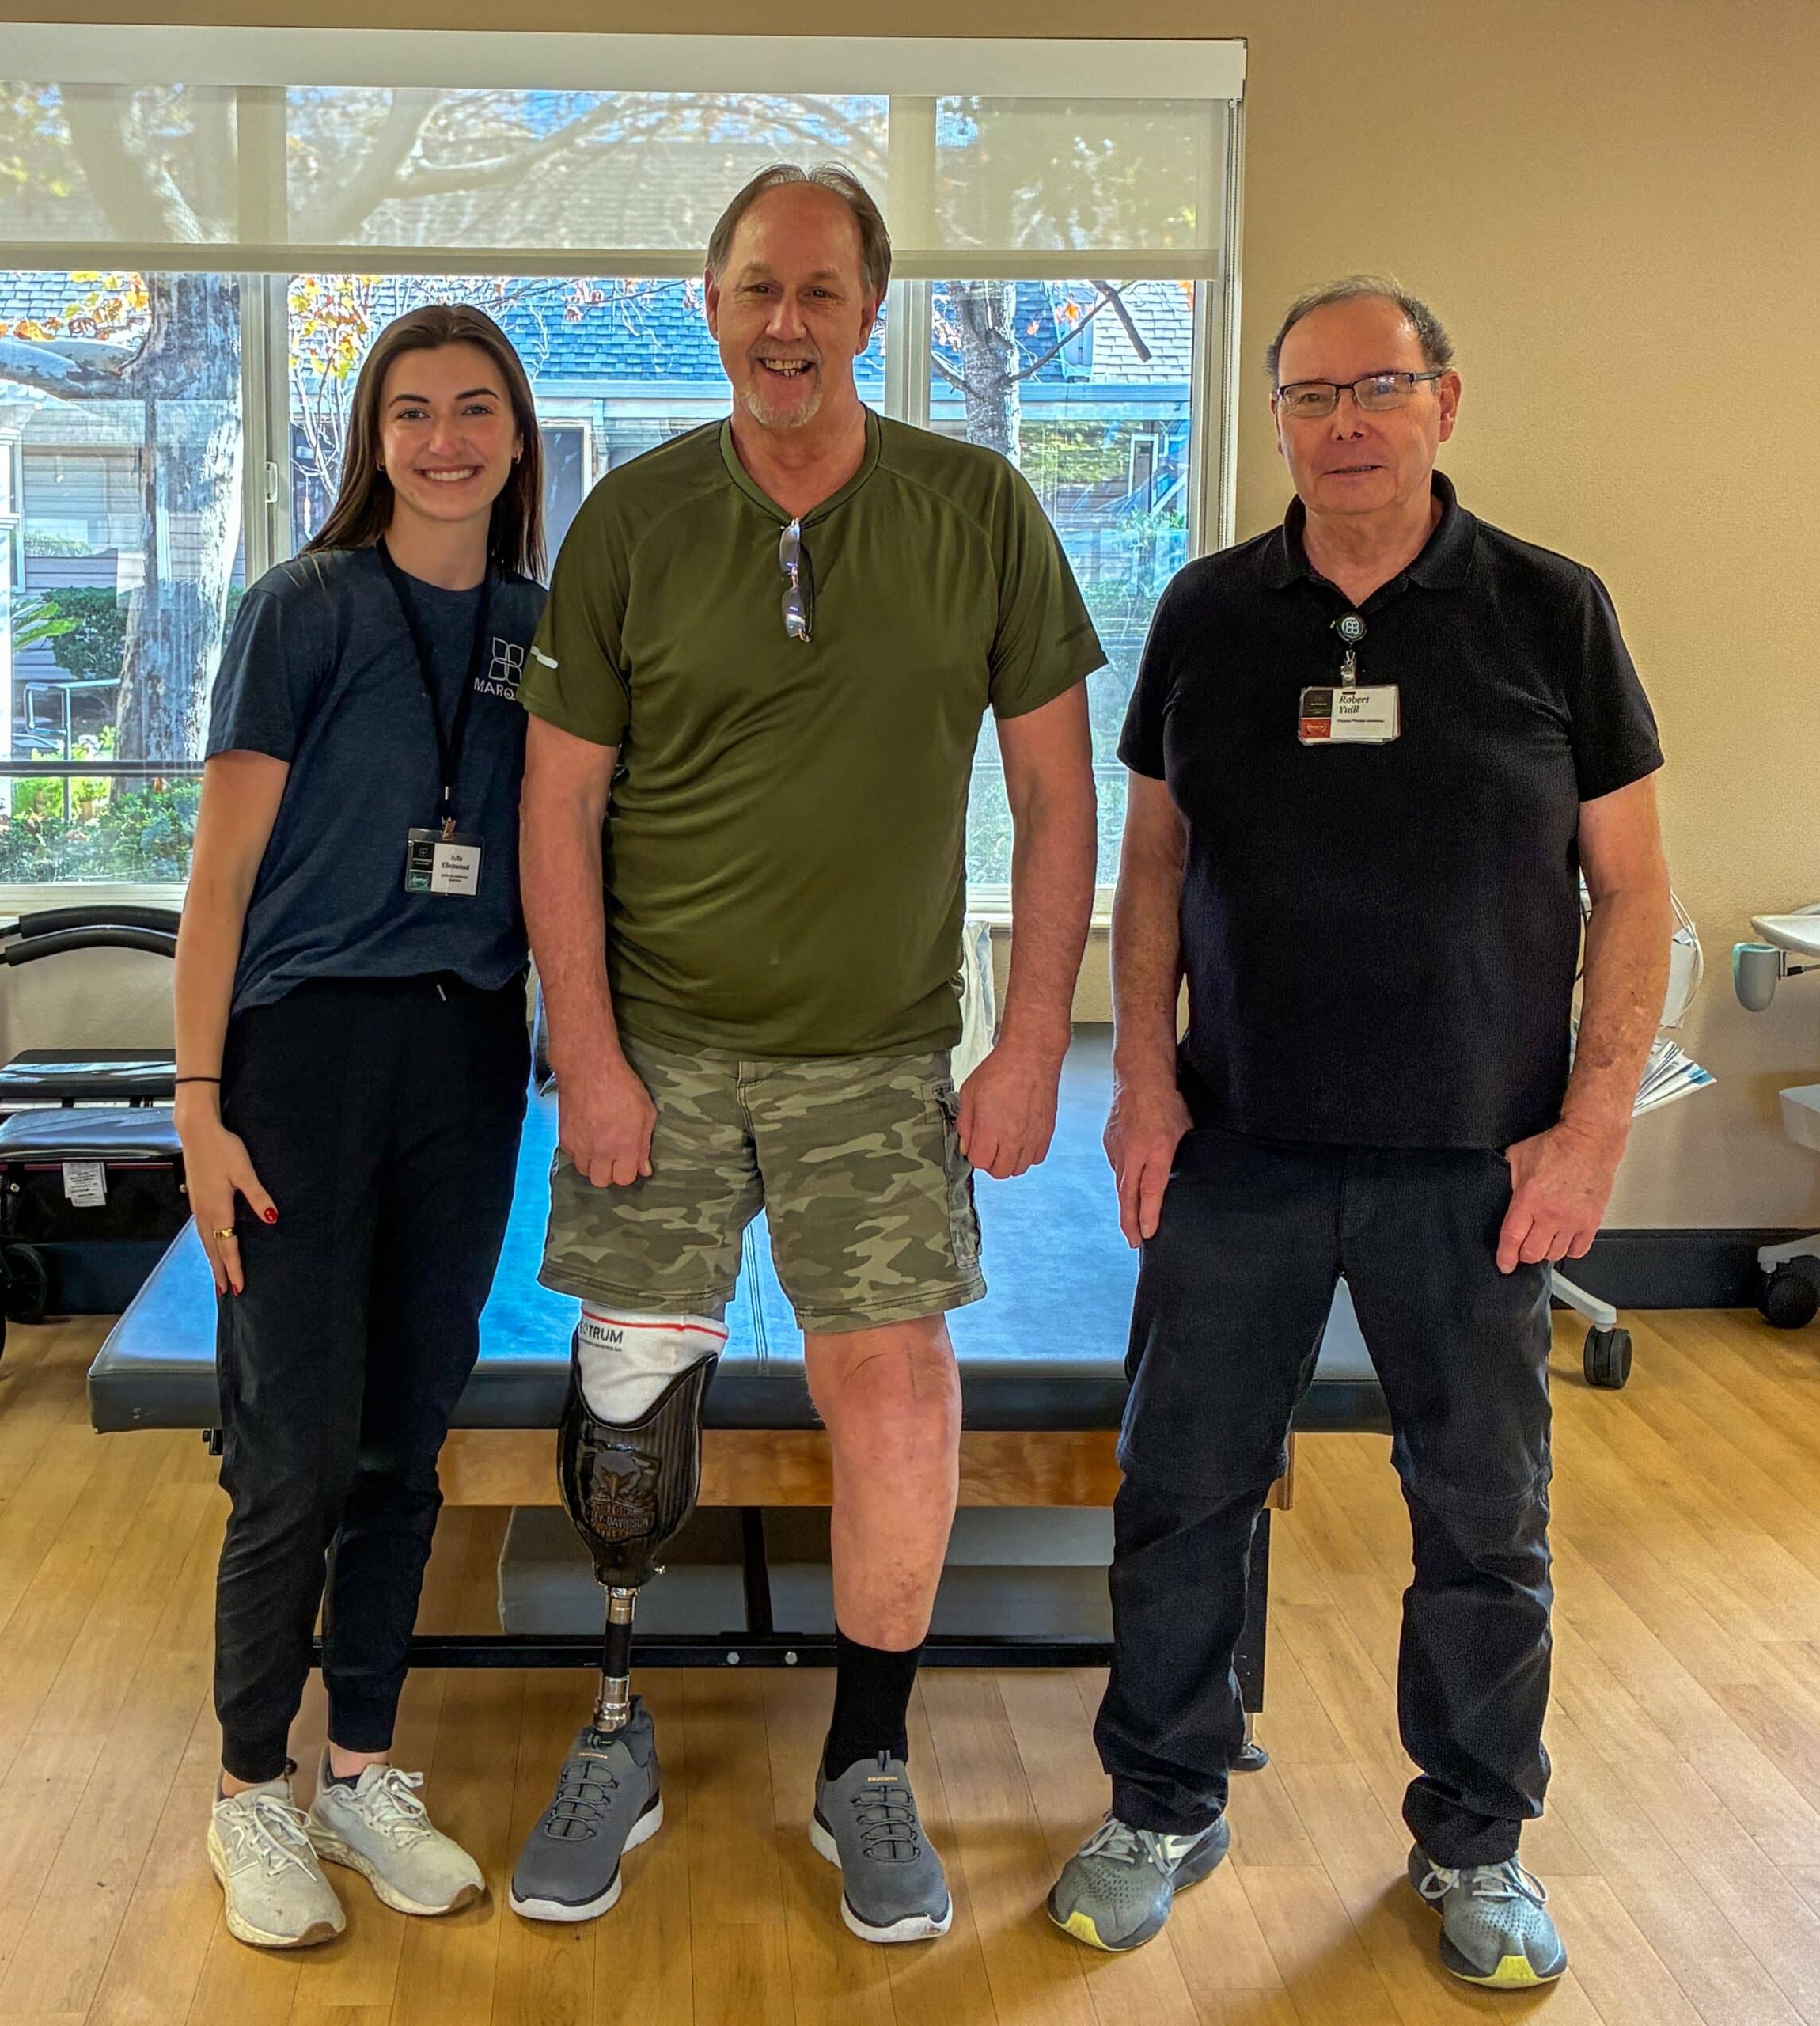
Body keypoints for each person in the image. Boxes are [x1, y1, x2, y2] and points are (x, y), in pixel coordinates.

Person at [1046, 277, 1672, 1988]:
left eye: (1376, 389)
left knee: (1482, 1516)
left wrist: (1588, 1126)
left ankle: (1474, 1838)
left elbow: (1629, 890)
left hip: (1476, 1160)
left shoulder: (1550, 610)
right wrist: (1147, 1081)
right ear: (1277, 420)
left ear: (1443, 406)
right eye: (1308, 395)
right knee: (1181, 1490)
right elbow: (1153, 864)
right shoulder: (1205, 610)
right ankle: (1161, 1797)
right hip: (1240, 1140)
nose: (1342, 424)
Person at [510, 163, 1101, 1942]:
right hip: (664, 1045)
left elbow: (1060, 793)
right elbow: (560, 807)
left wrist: (1030, 1046)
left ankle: (865, 1760)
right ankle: (617, 1732)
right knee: (625, 1405)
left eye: (822, 290)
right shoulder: (632, 519)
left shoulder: (976, 507)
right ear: (712, 303)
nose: (788, 320)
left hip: (876, 1052)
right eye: (758, 286)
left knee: (897, 1395)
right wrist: (589, 1051)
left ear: (869, 308)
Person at [173, 305, 547, 1949]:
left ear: (519, 437)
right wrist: (193, 1106)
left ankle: (362, 1768)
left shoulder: (545, 629)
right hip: (301, 1055)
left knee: (407, 1436)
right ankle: (252, 1788)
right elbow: (219, 875)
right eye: (412, 410)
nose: (445, 438)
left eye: (476, 409)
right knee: (295, 1447)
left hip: (467, 1056)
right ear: (371, 437)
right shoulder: (301, 607)